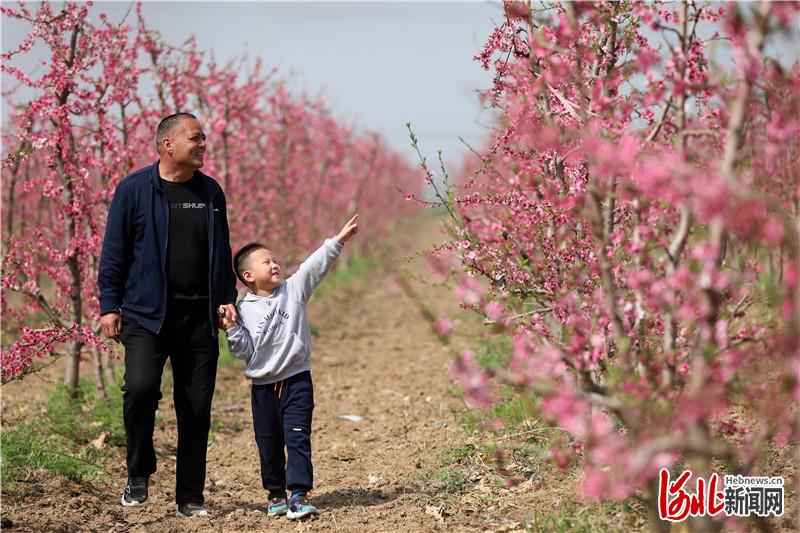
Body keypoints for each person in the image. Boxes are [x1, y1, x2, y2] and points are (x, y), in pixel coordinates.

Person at [98, 112, 238, 518]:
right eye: (196, 139)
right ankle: (139, 473)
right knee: (140, 390)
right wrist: (109, 305)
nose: (203, 145)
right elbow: (114, 253)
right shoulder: (134, 190)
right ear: (168, 145)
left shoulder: (210, 193)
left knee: (195, 407)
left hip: (198, 317)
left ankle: (190, 497)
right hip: (146, 316)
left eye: (204, 139)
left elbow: (222, 251)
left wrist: (226, 298)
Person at [219, 214, 359, 520]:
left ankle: (298, 493)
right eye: (266, 262)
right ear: (248, 276)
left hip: (297, 380)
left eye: (275, 260)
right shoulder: (243, 310)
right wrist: (231, 329)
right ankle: (275, 494)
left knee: (297, 437)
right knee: (268, 442)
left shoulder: (293, 291)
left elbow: (313, 266)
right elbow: (241, 350)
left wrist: (337, 241)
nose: (274, 265)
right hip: (263, 388)